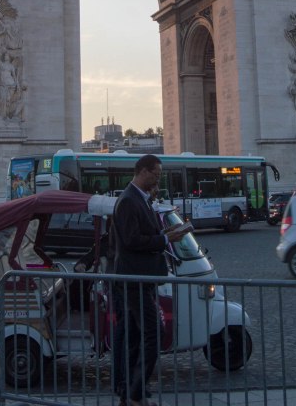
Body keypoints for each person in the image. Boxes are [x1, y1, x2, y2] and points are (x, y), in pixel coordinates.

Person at [111, 155, 190, 406]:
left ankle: (131, 394)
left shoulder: (139, 200)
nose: (158, 179)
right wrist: (166, 240)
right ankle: (135, 393)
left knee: (135, 336)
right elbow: (131, 241)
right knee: (154, 332)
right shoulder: (128, 201)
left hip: (142, 278)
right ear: (143, 172)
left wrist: (166, 233)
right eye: (156, 174)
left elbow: (142, 235)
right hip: (133, 279)